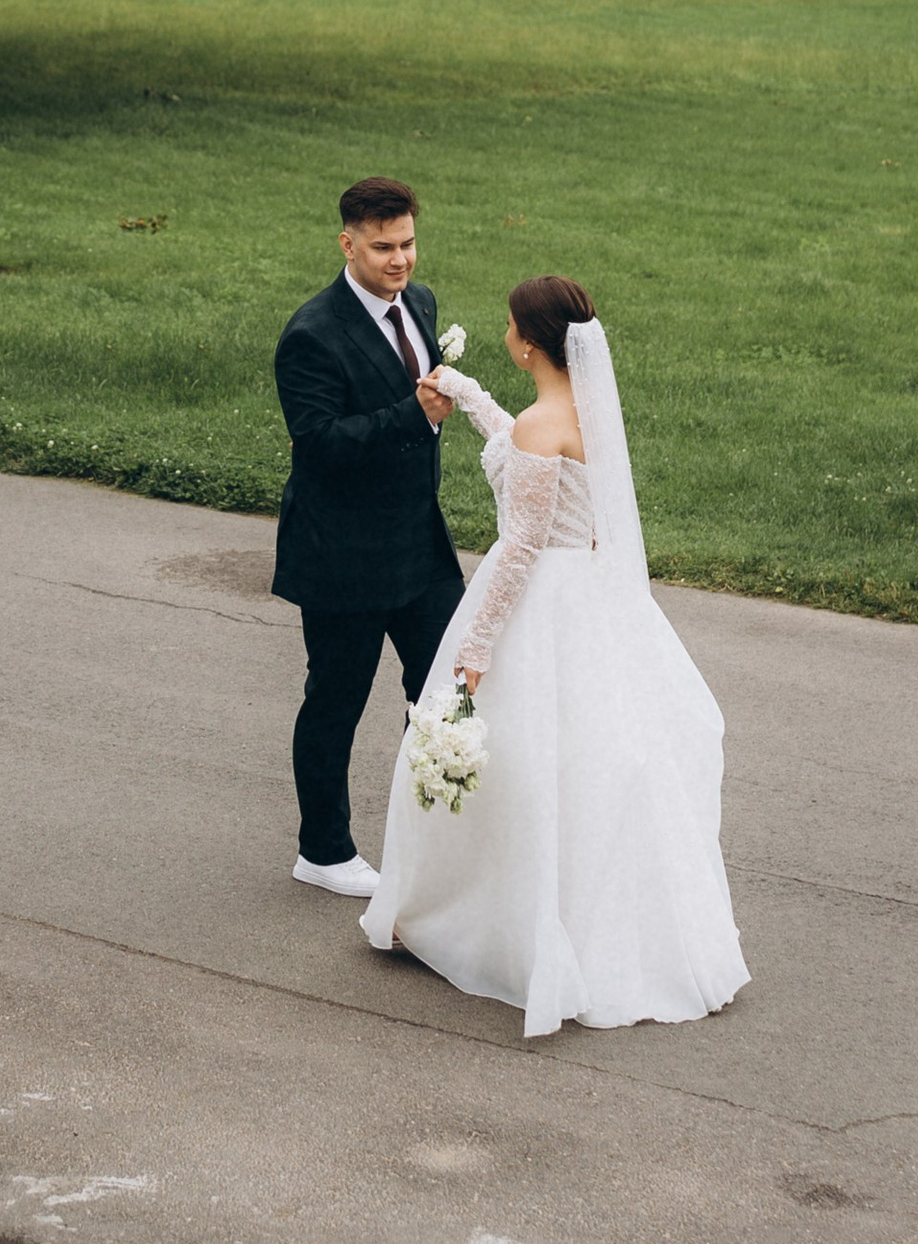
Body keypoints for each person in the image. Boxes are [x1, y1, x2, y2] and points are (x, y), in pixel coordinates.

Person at [361, 275, 747, 1034]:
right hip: (593, 599)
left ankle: (481, 920)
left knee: (516, 766)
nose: (505, 332)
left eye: (509, 325)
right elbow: (532, 455)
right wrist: (471, 397)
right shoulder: (583, 411)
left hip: (542, 605)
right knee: (593, 767)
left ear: (529, 343)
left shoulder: (544, 425)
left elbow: (519, 550)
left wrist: (475, 647)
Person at [271, 178, 465, 898]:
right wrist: (414, 417)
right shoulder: (311, 335)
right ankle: (322, 851)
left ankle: (447, 837)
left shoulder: (420, 304)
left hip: (418, 541)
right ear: (347, 244)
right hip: (343, 552)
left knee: (450, 690)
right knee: (337, 698)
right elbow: (318, 444)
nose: (400, 259)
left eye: (408, 243)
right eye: (383, 247)